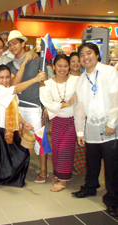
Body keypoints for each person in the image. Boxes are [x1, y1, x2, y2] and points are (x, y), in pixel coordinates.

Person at [72, 43, 118, 217]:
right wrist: (80, 132)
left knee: (112, 166)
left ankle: (113, 200)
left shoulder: (108, 72)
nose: (85, 57)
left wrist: (112, 123)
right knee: (91, 162)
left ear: (97, 55)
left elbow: (116, 99)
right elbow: (80, 108)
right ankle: (90, 187)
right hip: (91, 126)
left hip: (110, 125)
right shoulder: (82, 80)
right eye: (82, 55)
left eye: (89, 53)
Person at [0, 64, 46, 187]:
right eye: (1, 77)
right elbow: (17, 88)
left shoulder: (9, 91)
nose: (4, 80)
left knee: (19, 154)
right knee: (1, 158)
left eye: (7, 77)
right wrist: (35, 79)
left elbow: (15, 111)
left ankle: (5, 177)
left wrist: (24, 123)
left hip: (8, 128)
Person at [6, 30, 49, 183]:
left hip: (33, 106)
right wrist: (24, 62)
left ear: (23, 43)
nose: (12, 47)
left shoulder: (37, 61)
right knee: (18, 140)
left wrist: (45, 106)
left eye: (15, 43)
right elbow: (13, 85)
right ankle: (19, 169)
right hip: (16, 106)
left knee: (39, 137)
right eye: (10, 44)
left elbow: (44, 84)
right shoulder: (9, 65)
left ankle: (44, 170)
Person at [40, 54, 79, 192]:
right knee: (56, 149)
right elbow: (46, 101)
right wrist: (66, 104)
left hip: (73, 119)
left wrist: (61, 105)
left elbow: (80, 99)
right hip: (56, 119)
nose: (62, 69)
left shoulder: (77, 80)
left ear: (69, 67)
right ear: (54, 67)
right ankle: (58, 174)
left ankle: (63, 181)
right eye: (59, 66)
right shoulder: (48, 83)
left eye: (65, 66)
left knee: (64, 149)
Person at [68, 52, 86, 176]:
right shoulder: (64, 78)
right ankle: (69, 167)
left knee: (81, 143)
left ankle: (80, 167)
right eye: (73, 61)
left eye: (78, 61)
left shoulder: (85, 77)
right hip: (68, 115)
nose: (76, 63)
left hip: (83, 115)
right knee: (69, 144)